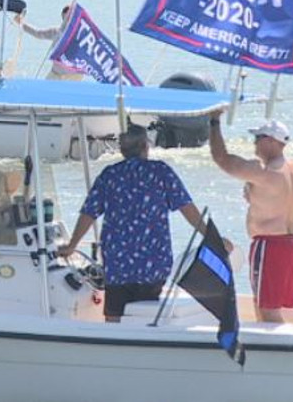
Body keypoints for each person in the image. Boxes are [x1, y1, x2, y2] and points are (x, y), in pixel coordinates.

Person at [57, 124, 231, 323]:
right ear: (145, 146)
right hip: (153, 265)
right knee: (147, 315)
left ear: (122, 150)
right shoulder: (161, 172)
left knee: (114, 316)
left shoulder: (110, 175)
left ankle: (114, 347)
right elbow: (188, 210)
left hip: (118, 265)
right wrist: (212, 237)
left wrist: (72, 245)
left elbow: (88, 214)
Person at [208, 113, 293, 323]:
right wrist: (258, 198)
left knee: (267, 309)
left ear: (272, 141)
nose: (254, 143)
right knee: (266, 305)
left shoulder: (263, 171)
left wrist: (214, 122)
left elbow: (222, 159)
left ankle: (278, 352)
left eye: (258, 138)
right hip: (291, 245)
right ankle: (271, 348)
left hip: (269, 245)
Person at [13, 5, 83, 80]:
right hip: (56, 74)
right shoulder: (55, 32)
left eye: (70, 17)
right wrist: (22, 24)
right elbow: (37, 33)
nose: (68, 20)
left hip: (74, 76)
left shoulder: (80, 35)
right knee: (41, 90)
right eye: (66, 18)